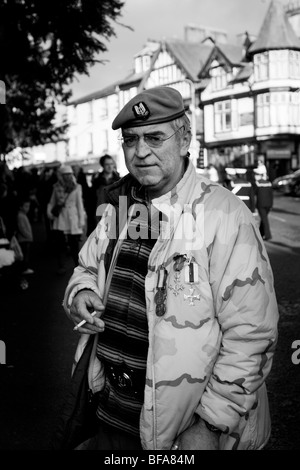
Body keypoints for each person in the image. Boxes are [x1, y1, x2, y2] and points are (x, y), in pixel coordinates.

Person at [62, 86, 278, 450]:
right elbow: (86, 267)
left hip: (186, 434)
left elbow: (252, 334)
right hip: (113, 416)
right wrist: (81, 292)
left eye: (154, 138)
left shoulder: (225, 215)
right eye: (130, 140)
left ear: (185, 139)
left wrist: (211, 424)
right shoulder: (118, 209)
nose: (141, 152)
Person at [47, 165, 86, 273]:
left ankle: (77, 266)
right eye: (65, 175)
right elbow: (52, 201)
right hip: (60, 218)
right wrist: (49, 212)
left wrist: (81, 220)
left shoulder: (77, 187)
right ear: (61, 176)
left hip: (72, 218)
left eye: (69, 174)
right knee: (60, 244)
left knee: (74, 244)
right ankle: (61, 266)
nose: (67, 177)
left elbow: (79, 205)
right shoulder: (56, 187)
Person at [91, 154, 119, 222]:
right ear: (103, 165)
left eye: (111, 164)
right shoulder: (97, 182)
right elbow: (92, 200)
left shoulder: (118, 181)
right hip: (100, 216)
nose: (110, 167)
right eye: (107, 164)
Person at [16, 197, 34, 275]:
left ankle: (25, 268)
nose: (28, 208)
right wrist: (28, 236)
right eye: (26, 206)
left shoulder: (22, 215)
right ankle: (24, 268)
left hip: (25, 239)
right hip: (24, 239)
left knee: (26, 254)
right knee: (24, 255)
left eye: (28, 206)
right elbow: (22, 228)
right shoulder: (20, 216)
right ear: (21, 207)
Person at [254, 175, 273, 241]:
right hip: (268, 204)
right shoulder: (268, 183)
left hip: (261, 204)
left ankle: (268, 235)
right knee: (264, 219)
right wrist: (271, 205)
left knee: (264, 219)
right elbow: (271, 195)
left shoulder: (257, 183)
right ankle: (260, 234)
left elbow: (253, 193)